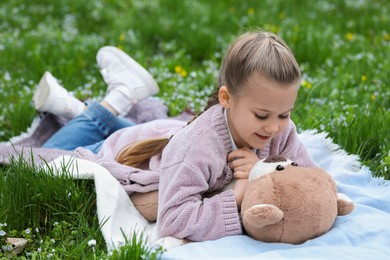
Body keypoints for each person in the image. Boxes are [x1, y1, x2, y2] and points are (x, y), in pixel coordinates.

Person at [33, 31, 316, 242]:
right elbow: (173, 221)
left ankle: (70, 105)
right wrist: (236, 199)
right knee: (44, 154)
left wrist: (260, 170)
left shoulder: (280, 130)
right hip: (126, 150)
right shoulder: (197, 148)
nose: (274, 128)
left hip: (164, 134)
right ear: (226, 98)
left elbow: (309, 179)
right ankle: (115, 99)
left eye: (285, 114)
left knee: (148, 129)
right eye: (262, 116)